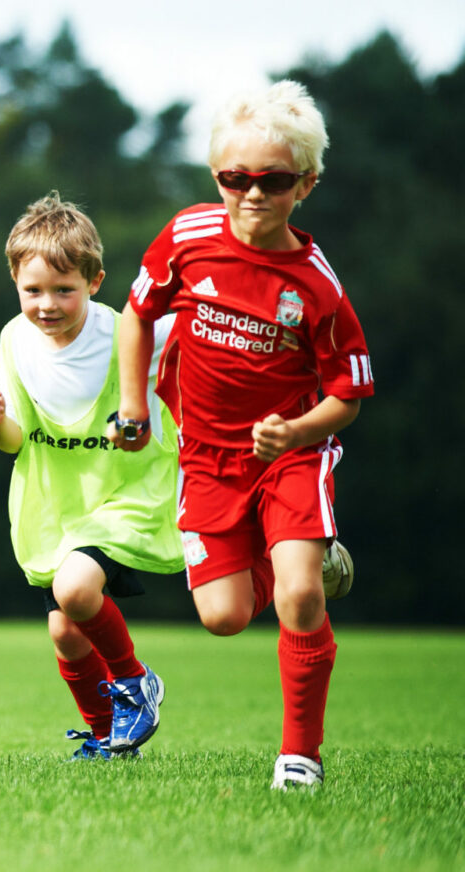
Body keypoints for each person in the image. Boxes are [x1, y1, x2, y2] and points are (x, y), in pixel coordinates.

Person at [112, 80, 369, 790]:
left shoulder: (317, 287)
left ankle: (299, 757)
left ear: (305, 185)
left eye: (273, 180)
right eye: (235, 178)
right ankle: (313, 562)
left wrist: (295, 432)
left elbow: (349, 392)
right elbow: (136, 314)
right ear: (216, 177)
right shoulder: (188, 237)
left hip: (292, 456)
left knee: (296, 600)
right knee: (222, 616)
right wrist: (135, 408)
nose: (252, 194)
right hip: (205, 455)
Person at [0, 192, 181, 761]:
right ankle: (109, 738)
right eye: (32, 290)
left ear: (95, 281)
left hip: (125, 491)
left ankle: (137, 682)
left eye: (64, 289)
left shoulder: (129, 334)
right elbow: (14, 442)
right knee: (65, 632)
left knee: (75, 590)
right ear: (14, 280)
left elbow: (193, 345)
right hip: (55, 504)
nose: (47, 304)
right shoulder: (13, 339)